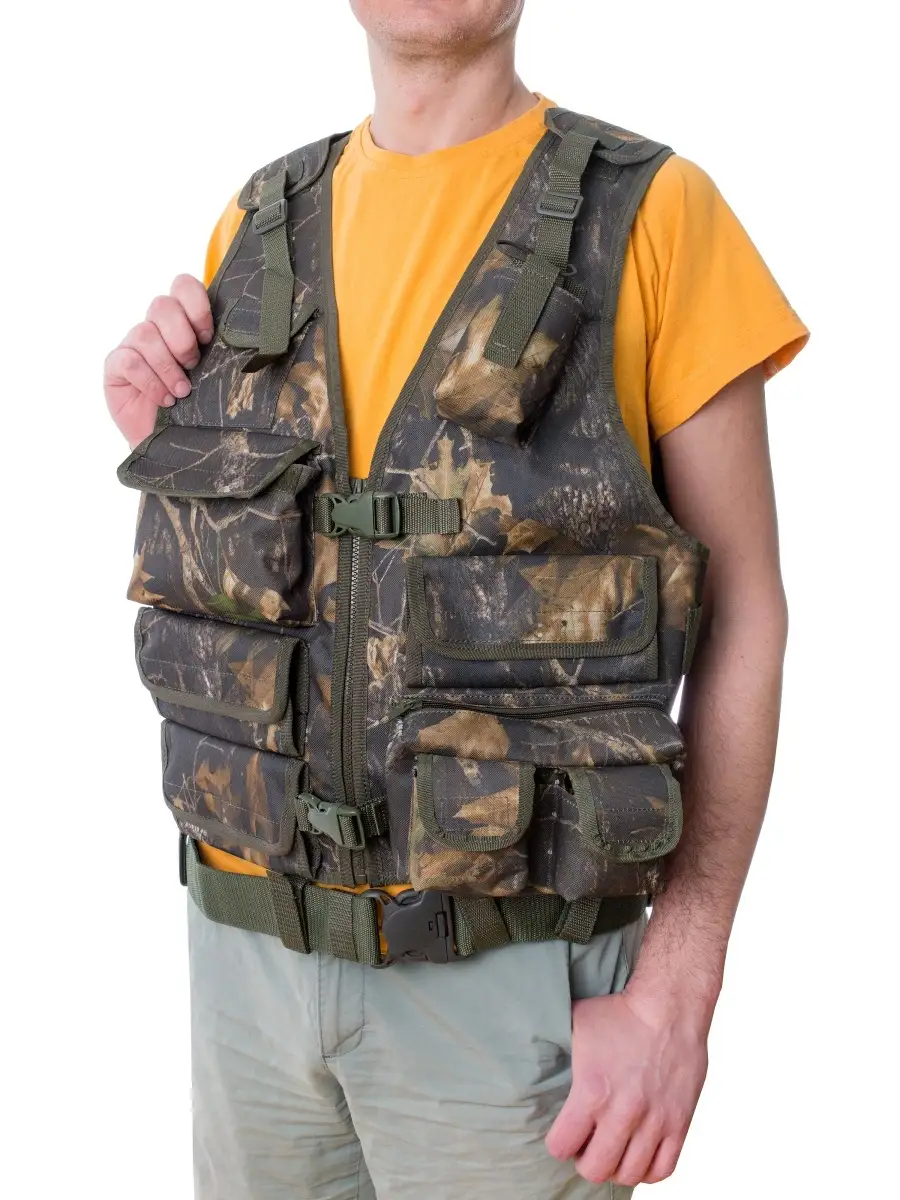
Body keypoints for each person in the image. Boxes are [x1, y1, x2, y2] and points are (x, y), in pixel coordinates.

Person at [104, 2, 808, 1196]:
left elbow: (748, 615)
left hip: (513, 983)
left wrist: (678, 996)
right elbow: (257, 572)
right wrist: (169, 440)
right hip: (245, 963)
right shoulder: (259, 220)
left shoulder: (652, 212)